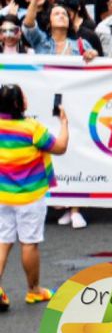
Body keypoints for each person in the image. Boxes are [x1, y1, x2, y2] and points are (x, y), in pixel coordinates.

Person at [0, 83, 68, 307]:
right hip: (30, 197)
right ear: (18, 103)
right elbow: (60, 147)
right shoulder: (32, 128)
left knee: (3, 242)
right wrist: (64, 123)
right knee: (29, 243)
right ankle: (34, 290)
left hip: (2, 196)